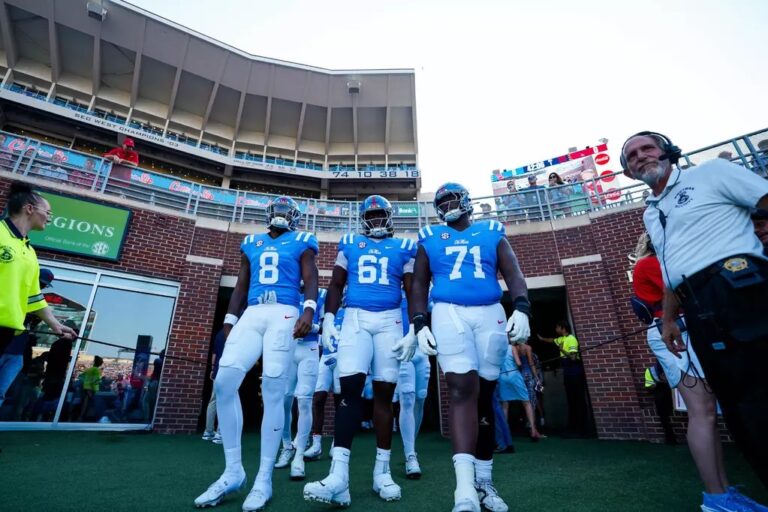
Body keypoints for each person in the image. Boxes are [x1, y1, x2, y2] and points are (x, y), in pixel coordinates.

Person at [621, 131, 768, 491]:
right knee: (738, 408)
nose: (641, 156)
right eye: (632, 156)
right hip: (697, 309)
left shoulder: (711, 173)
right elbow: (672, 270)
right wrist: (669, 319)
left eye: (647, 148)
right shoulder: (651, 214)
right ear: (627, 172)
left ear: (668, 151)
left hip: (740, 286)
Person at [409, 182, 531, 512]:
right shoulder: (430, 237)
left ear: (466, 201)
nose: (448, 206)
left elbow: (514, 272)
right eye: (442, 202)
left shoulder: (492, 231)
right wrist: (419, 322)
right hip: (449, 310)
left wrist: (522, 306)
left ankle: (485, 481)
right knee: (461, 388)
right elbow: (419, 283)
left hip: (490, 310)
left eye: (452, 199)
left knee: (486, 394)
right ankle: (463, 487)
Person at [194, 195, 318, 511]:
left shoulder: (302, 240)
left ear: (294, 217)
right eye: (275, 211)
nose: (279, 216)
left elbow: (311, 277)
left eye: (284, 212)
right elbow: (240, 285)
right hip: (253, 311)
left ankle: (264, 477)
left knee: (273, 387)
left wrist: (309, 310)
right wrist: (229, 320)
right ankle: (233, 470)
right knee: (223, 382)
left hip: (285, 310)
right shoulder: (251, 242)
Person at [631, 232, 766, 510]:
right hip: (672, 332)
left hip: (687, 330)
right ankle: (716, 498)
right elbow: (681, 288)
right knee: (701, 411)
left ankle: (722, 492)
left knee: (707, 411)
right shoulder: (651, 263)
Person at [303, 195, 417, 506]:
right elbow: (337, 284)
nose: (377, 221)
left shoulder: (403, 247)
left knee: (384, 393)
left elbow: (411, 287)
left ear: (389, 218)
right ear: (363, 219)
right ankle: (339, 476)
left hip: (391, 318)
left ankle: (382, 473)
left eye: (382, 215)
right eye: (372, 216)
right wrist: (328, 318)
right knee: (349, 390)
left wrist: (415, 327)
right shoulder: (350, 243)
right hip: (354, 317)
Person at [1, 182, 77, 356]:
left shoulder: (30, 252)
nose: (49, 218)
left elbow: (33, 296)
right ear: (29, 209)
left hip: (6, 331)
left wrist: (54, 324)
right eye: (47, 212)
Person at [274, 287, 326, 479]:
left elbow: (325, 326)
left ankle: (299, 456)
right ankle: (287, 446)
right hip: (289, 349)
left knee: (304, 401)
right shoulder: (287, 290)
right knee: (285, 400)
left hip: (309, 349)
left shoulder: (321, 294)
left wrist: (310, 327)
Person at [0, 268, 53, 407]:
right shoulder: (14, 291)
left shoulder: (37, 301)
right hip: (5, 346)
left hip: (17, 353)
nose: (41, 287)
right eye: (40, 283)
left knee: (1, 393)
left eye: (43, 285)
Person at [395, 289, 431, 479]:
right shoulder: (392, 287)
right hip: (402, 349)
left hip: (421, 349)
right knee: (407, 399)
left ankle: (411, 446)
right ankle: (410, 455)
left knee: (420, 398)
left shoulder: (424, 289)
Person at [305, 305, 344, 460]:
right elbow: (321, 332)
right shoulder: (329, 314)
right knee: (318, 398)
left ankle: (337, 443)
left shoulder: (351, 311)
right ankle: (316, 444)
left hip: (342, 356)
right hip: (326, 356)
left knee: (339, 401)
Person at [538, 321, 589, 437]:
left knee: (578, 401)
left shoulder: (571, 339)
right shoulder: (562, 339)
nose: (556, 329)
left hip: (575, 374)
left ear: (563, 328)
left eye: (557, 327)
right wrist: (541, 339)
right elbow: (552, 340)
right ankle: (573, 428)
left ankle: (581, 430)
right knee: (571, 401)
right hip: (568, 374)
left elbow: (573, 357)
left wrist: (562, 350)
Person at [203, 329, 227, 444]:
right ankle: (220, 433)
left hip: (217, 371)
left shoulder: (219, 333)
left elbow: (214, 354)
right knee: (226, 401)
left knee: (213, 401)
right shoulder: (235, 332)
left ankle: (208, 432)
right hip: (228, 371)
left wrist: (213, 369)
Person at [78, 355, 103, 421]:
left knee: (85, 403)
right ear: (99, 363)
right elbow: (95, 381)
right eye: (101, 362)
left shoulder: (90, 369)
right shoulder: (96, 370)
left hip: (86, 388)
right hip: (91, 389)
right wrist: (100, 381)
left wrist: (86, 382)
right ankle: (82, 417)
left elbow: (80, 376)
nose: (102, 363)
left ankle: (81, 417)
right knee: (88, 404)